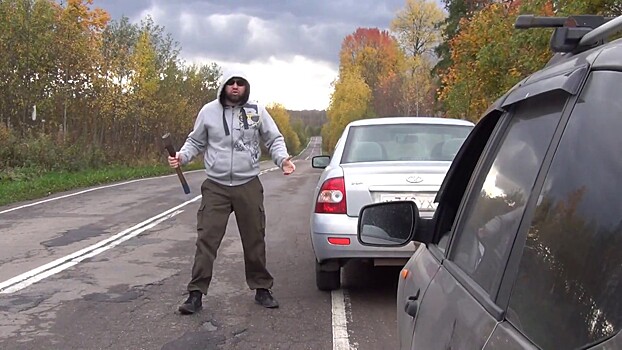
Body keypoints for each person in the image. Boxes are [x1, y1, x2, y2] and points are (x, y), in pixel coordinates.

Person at [167, 70, 295, 315]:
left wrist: (282, 160)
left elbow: (273, 139)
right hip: (216, 186)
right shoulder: (208, 112)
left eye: (240, 83)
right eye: (231, 83)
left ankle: (262, 289)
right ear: (224, 86)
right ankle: (195, 294)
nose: (235, 87)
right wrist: (182, 156)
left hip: (248, 183)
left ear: (246, 87)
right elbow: (195, 141)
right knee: (206, 240)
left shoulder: (257, 111)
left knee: (254, 238)